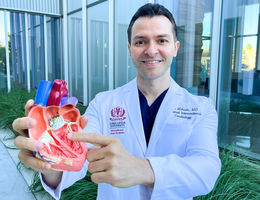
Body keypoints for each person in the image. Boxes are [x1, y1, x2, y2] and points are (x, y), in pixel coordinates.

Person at [12, 3, 221, 200]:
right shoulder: (103, 104)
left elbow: (206, 170)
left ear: (175, 48)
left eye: (162, 40)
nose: (151, 50)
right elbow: (79, 151)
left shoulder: (200, 108)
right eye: (141, 41)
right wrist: (51, 158)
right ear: (130, 49)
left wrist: (142, 168)